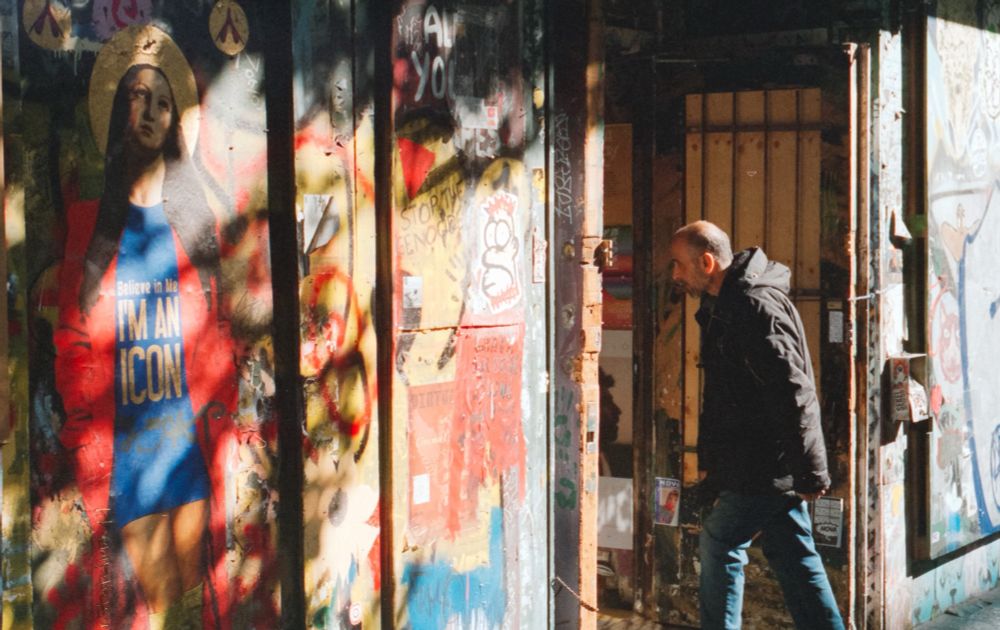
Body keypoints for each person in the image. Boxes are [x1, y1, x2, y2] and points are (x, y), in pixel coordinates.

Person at [54, 62, 236, 629]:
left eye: (164, 101)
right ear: (117, 114)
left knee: (189, 613)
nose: (152, 111)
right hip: (128, 467)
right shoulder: (89, 229)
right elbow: (73, 347)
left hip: (188, 457)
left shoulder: (195, 227)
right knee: (147, 616)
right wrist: (88, 455)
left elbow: (221, 336)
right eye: (139, 97)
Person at [669, 220, 844, 630]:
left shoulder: (752, 306)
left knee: (720, 541)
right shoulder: (729, 304)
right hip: (761, 461)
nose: (675, 275)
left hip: (763, 465)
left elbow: (793, 391)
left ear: (707, 262)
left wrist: (811, 469)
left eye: (679, 265)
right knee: (794, 555)